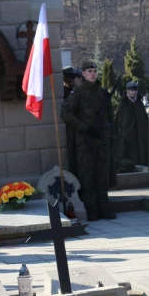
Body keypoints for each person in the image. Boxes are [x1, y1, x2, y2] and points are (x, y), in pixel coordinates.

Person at [61, 61, 116, 221]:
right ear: (83, 74)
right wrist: (83, 127)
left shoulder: (102, 93)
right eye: (89, 71)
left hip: (102, 140)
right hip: (85, 141)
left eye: (94, 71)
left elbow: (110, 116)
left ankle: (104, 208)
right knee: (87, 176)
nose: (93, 74)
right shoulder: (78, 93)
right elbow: (65, 113)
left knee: (102, 175)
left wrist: (108, 131)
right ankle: (91, 210)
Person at [114, 81, 149, 168]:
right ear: (127, 91)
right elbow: (118, 121)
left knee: (141, 157)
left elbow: (145, 119)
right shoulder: (123, 104)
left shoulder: (139, 103)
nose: (134, 92)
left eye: (135, 90)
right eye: (131, 90)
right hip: (127, 135)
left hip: (140, 135)